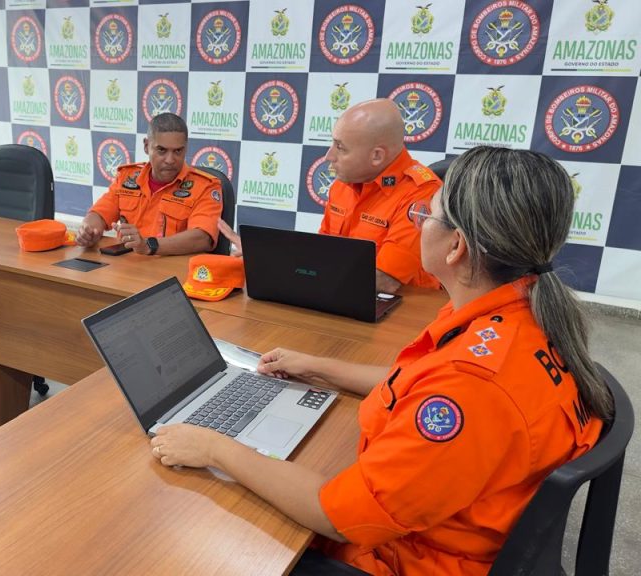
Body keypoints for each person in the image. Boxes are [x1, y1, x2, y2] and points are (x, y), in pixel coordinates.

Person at [151, 146, 611, 576]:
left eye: (424, 216)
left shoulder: (470, 389)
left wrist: (215, 448)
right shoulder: (516, 314)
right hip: (450, 521)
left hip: (405, 560)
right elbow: (415, 380)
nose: (418, 224)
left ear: (456, 247)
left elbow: (337, 519)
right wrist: (316, 367)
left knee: (199, 526)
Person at [218, 98, 440, 292]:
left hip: (402, 311)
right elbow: (321, 254)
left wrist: (277, 263)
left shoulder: (423, 194)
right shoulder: (345, 183)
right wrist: (266, 255)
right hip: (342, 295)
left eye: (340, 148)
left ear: (377, 156)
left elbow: (384, 280)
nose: (328, 156)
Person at [75, 113, 222, 256]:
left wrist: (149, 245)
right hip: (127, 267)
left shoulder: (206, 186)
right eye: (161, 150)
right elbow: (99, 215)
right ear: (146, 146)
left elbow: (202, 238)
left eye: (178, 151)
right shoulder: (127, 177)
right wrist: (89, 231)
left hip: (175, 270)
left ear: (186, 148)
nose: (170, 160)